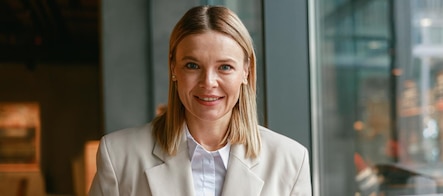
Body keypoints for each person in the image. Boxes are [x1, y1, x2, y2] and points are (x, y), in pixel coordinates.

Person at [89, 5, 311, 196]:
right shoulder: (119, 155)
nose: (208, 82)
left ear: (246, 71)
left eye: (225, 67)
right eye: (192, 66)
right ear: (173, 68)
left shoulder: (290, 160)